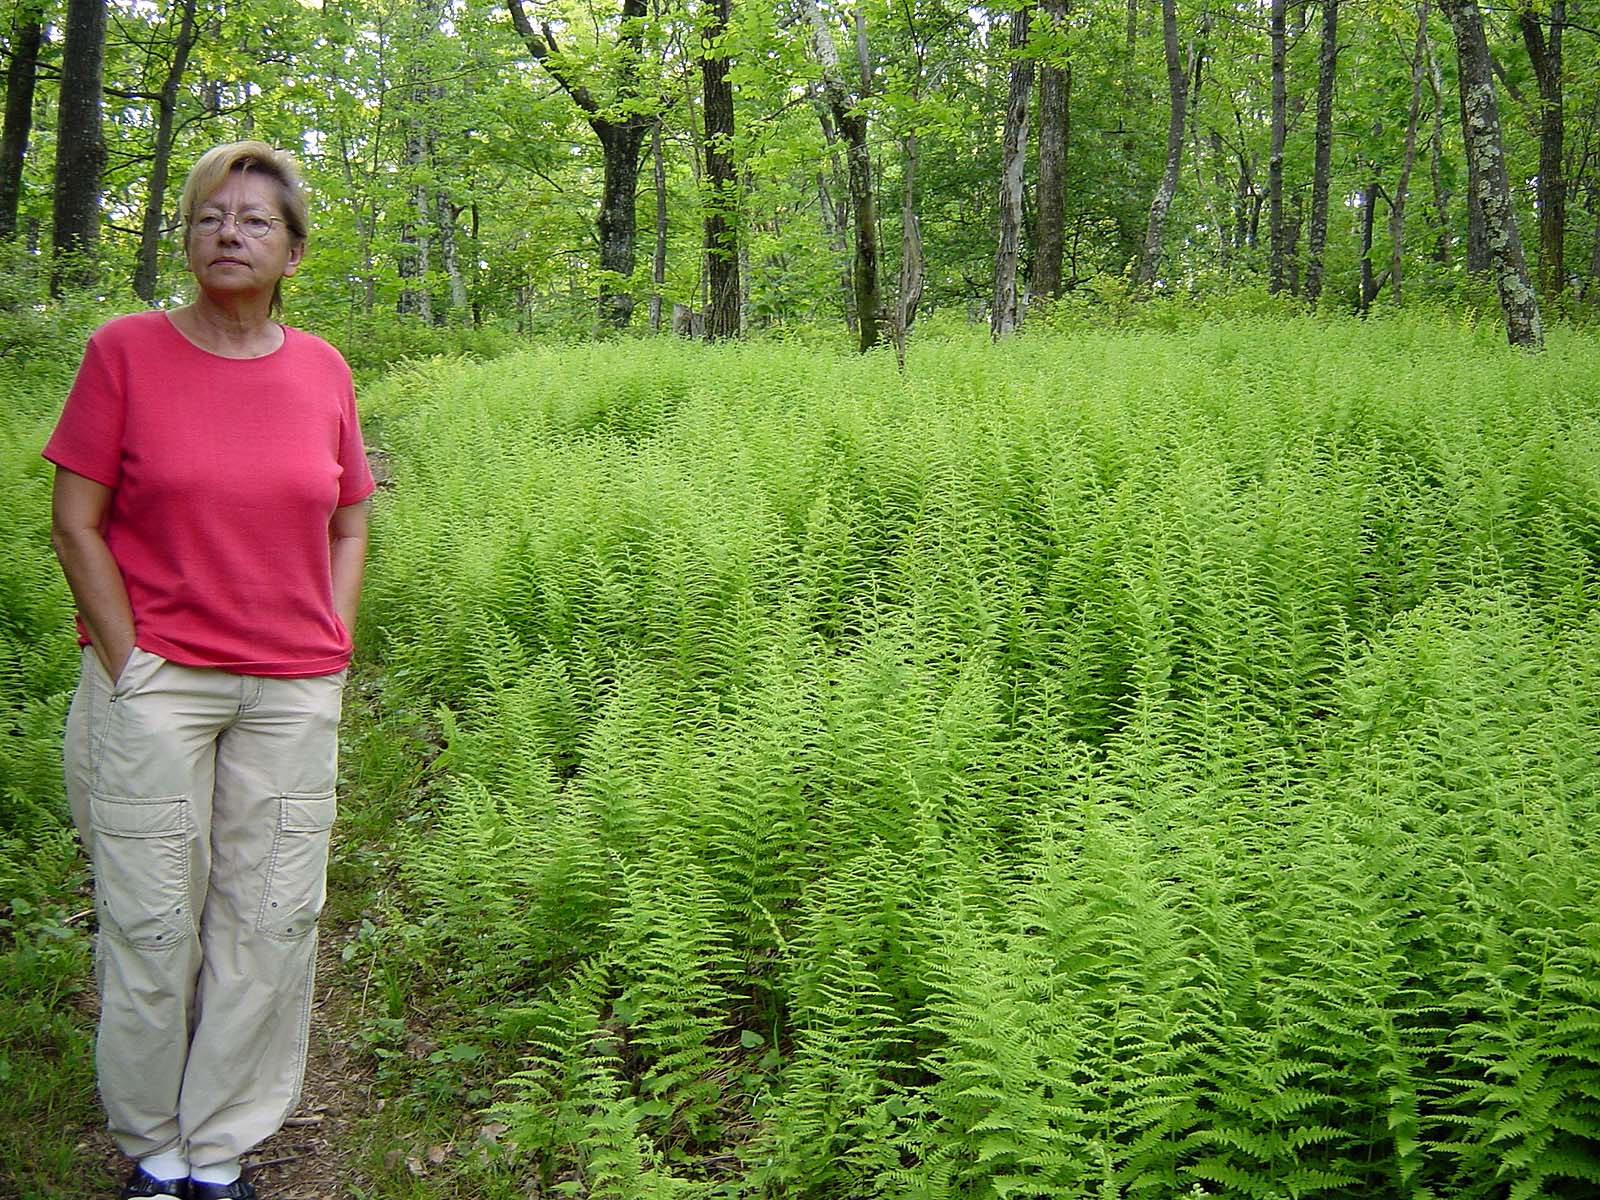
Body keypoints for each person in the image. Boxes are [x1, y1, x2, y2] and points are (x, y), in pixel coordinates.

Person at [43, 141, 376, 1200]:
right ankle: (151, 1144)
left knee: (269, 920)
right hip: (158, 687)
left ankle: (219, 1145)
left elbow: (351, 515)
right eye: (208, 217)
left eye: (254, 221)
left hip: (290, 689)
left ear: (292, 251)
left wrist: (335, 638)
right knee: (149, 919)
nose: (229, 233)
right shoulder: (125, 352)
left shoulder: (323, 368)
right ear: (185, 238)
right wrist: (126, 660)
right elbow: (75, 519)